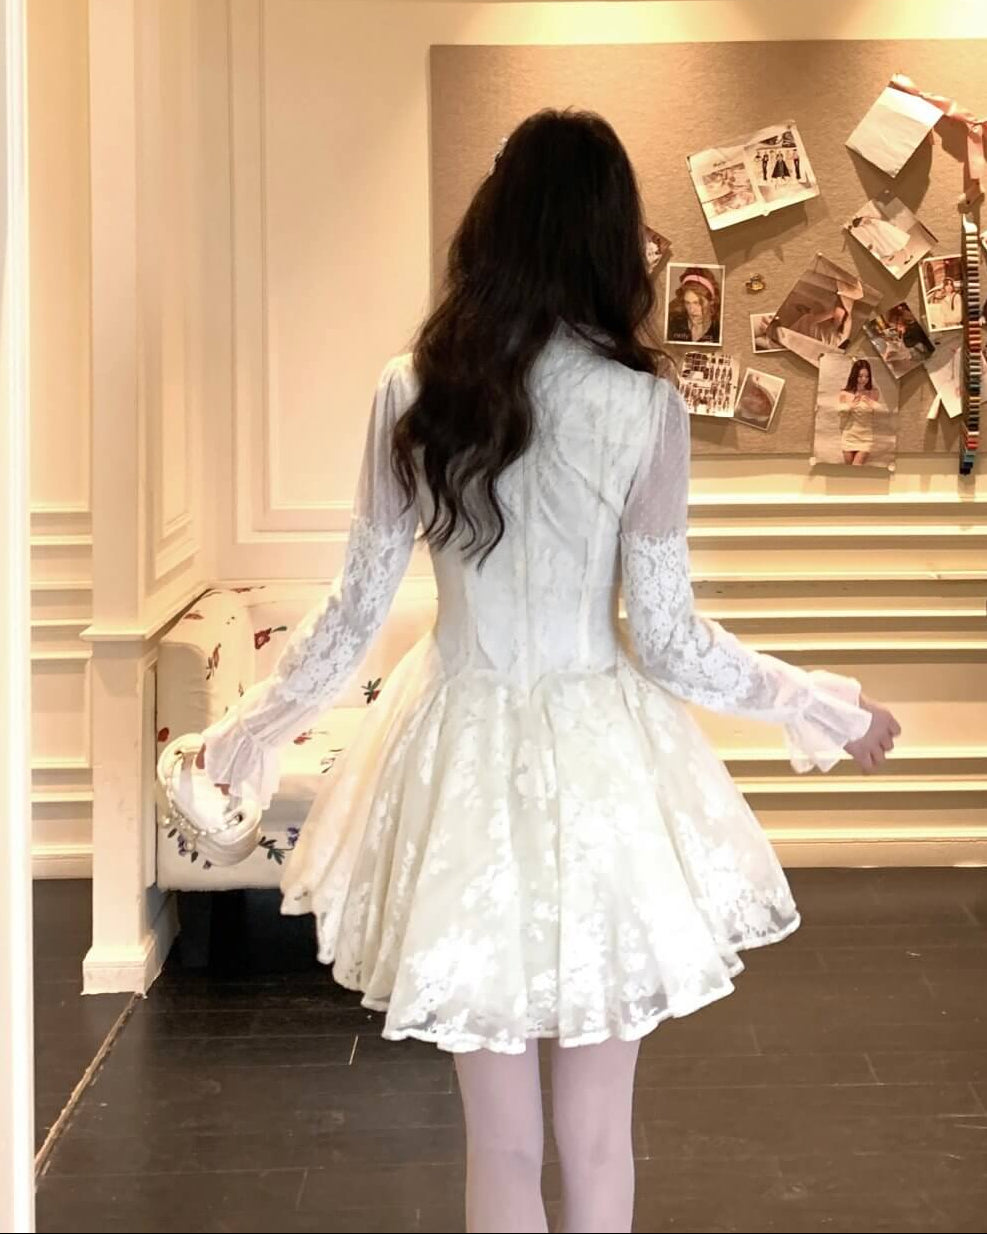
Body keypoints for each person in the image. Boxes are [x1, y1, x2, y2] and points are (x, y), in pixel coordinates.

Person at [194, 109, 899, 1234]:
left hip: (455, 758)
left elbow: (353, 612)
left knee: (503, 1144)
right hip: (602, 766)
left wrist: (243, 732)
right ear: (611, 240)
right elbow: (670, 641)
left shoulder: (412, 389)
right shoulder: (643, 405)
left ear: (495, 219)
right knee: (598, 1136)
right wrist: (826, 709)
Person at [838, 358, 881, 464]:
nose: (864, 379)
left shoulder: (873, 392)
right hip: (849, 435)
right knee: (849, 470)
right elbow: (841, 415)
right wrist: (850, 405)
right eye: (860, 376)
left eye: (867, 376)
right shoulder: (845, 393)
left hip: (865, 436)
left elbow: (880, 412)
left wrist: (869, 402)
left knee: (857, 466)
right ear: (854, 376)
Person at [666, 267, 721, 344]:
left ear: (711, 301)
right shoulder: (672, 324)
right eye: (687, 303)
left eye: (697, 303)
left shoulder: (719, 332)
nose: (691, 310)